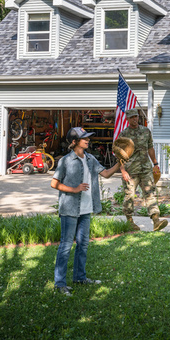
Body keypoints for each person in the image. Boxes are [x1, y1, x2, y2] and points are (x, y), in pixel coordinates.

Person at [51, 127, 122, 296]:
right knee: (66, 245)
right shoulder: (66, 161)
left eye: (88, 138)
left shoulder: (90, 159)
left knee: (83, 244)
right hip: (70, 208)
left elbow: (105, 174)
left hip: (86, 208)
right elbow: (54, 183)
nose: (88, 140)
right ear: (74, 142)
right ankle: (59, 283)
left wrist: (120, 163)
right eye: (84, 138)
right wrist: (74, 189)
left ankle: (80, 277)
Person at [119, 109, 167, 232]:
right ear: (127, 119)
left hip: (145, 169)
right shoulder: (124, 134)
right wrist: (123, 171)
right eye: (131, 117)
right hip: (130, 171)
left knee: (150, 193)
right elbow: (119, 155)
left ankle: (156, 221)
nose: (134, 119)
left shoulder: (146, 131)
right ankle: (129, 222)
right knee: (129, 196)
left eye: (136, 116)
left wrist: (155, 163)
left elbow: (150, 148)